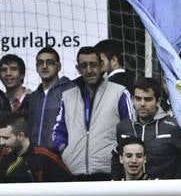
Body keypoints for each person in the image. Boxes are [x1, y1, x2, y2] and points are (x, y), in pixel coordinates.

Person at [53, 46, 135, 179]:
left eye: (93, 65)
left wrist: (115, 153)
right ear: (78, 69)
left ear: (102, 65)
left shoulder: (119, 92)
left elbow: (131, 130)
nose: (89, 70)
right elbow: (58, 131)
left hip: (109, 173)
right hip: (73, 173)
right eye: (84, 66)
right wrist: (66, 151)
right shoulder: (67, 96)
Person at [115, 77, 181, 180]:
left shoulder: (174, 127)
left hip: (166, 194)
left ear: (158, 101)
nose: (142, 104)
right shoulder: (123, 127)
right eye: (138, 98)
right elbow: (116, 158)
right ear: (132, 99)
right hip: (132, 193)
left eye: (148, 99)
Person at [0, 113, 71, 183]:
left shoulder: (44, 156)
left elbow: (68, 185)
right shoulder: (5, 155)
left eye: (5, 138)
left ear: (21, 136)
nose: (1, 142)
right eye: (0, 137)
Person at [28, 46, 72, 151]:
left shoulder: (70, 90)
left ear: (59, 66)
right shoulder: (32, 97)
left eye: (50, 62)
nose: (44, 66)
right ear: (36, 67)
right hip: (35, 156)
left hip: (61, 157)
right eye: (40, 63)